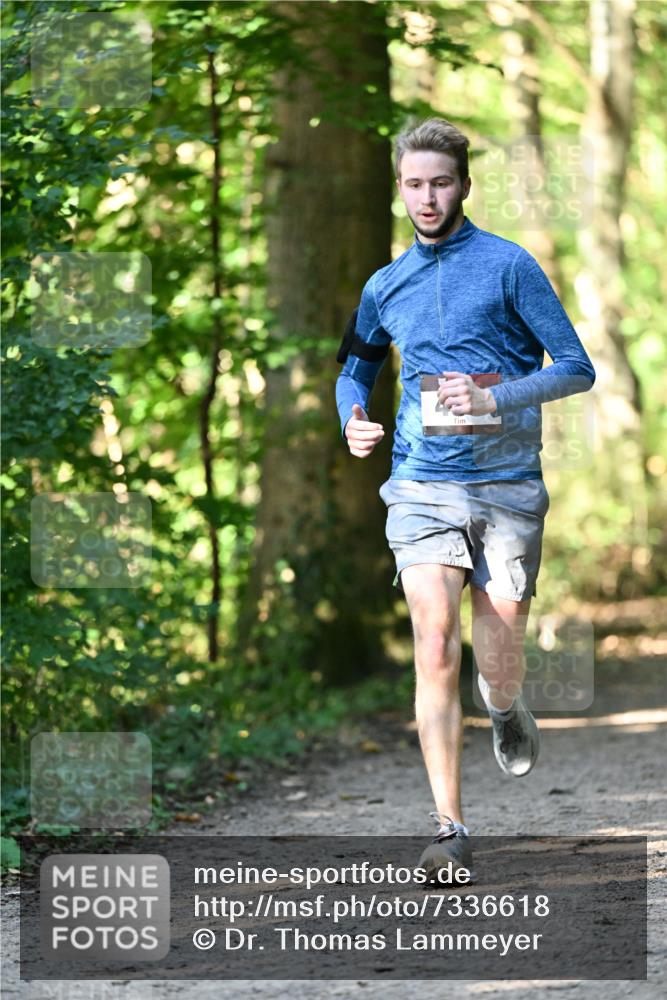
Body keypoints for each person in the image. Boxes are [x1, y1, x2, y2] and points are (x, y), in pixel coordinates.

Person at [335, 118, 596, 881]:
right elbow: (354, 366)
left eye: (439, 182)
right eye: (413, 184)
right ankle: (448, 827)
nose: (426, 197)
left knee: (497, 659)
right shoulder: (385, 285)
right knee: (433, 639)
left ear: (463, 185)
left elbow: (575, 368)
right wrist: (351, 417)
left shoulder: (509, 267)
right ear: (399, 189)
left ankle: (506, 704)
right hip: (420, 482)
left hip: (508, 485)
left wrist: (499, 400)